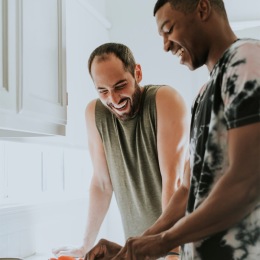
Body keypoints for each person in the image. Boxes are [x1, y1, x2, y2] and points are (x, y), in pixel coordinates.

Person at [84, 0, 260, 259]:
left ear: (202, 9)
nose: (165, 45)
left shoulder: (247, 59)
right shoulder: (203, 95)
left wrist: (164, 242)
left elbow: (248, 181)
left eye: (169, 29)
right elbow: (188, 190)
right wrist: (136, 245)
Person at [52, 42, 189, 258]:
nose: (113, 99)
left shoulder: (165, 100)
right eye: (103, 91)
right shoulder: (95, 113)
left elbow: (173, 181)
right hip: (138, 250)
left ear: (138, 73)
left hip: (181, 245)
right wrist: (85, 245)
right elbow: (102, 184)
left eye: (120, 86)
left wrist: (172, 251)